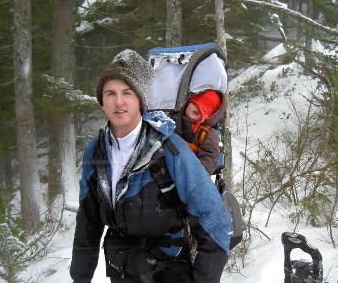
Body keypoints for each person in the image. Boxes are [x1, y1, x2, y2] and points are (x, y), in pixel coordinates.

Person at [70, 49, 231, 283]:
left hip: (169, 268)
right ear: (101, 103)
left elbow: (214, 218)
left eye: (128, 92)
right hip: (123, 268)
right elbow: (88, 220)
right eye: (110, 93)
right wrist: (80, 277)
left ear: (141, 100)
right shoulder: (95, 152)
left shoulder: (168, 148)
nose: (119, 102)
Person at [181, 90, 224, 175]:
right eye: (196, 103)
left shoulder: (209, 133)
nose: (199, 108)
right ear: (189, 102)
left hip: (186, 172)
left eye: (206, 108)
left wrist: (197, 176)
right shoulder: (173, 117)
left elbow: (209, 158)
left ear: (210, 117)